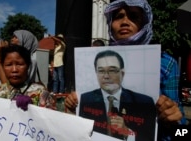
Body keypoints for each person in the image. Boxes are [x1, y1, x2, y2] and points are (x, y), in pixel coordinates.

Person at [65, 0, 186, 140]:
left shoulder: (165, 63)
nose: (124, 22)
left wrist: (173, 118)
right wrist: (75, 105)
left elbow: (179, 127)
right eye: (118, 16)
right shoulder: (88, 92)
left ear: (144, 23)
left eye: (133, 16)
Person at [80, 49, 156, 140]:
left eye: (112, 70)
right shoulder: (86, 99)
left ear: (122, 73)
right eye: (101, 71)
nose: (106, 76)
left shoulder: (143, 102)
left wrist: (127, 133)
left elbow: (148, 137)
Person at [0, 45, 52, 110]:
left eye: (19, 64)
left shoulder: (40, 93)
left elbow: (48, 118)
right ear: (3, 67)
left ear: (28, 66)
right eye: (9, 65)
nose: (14, 70)